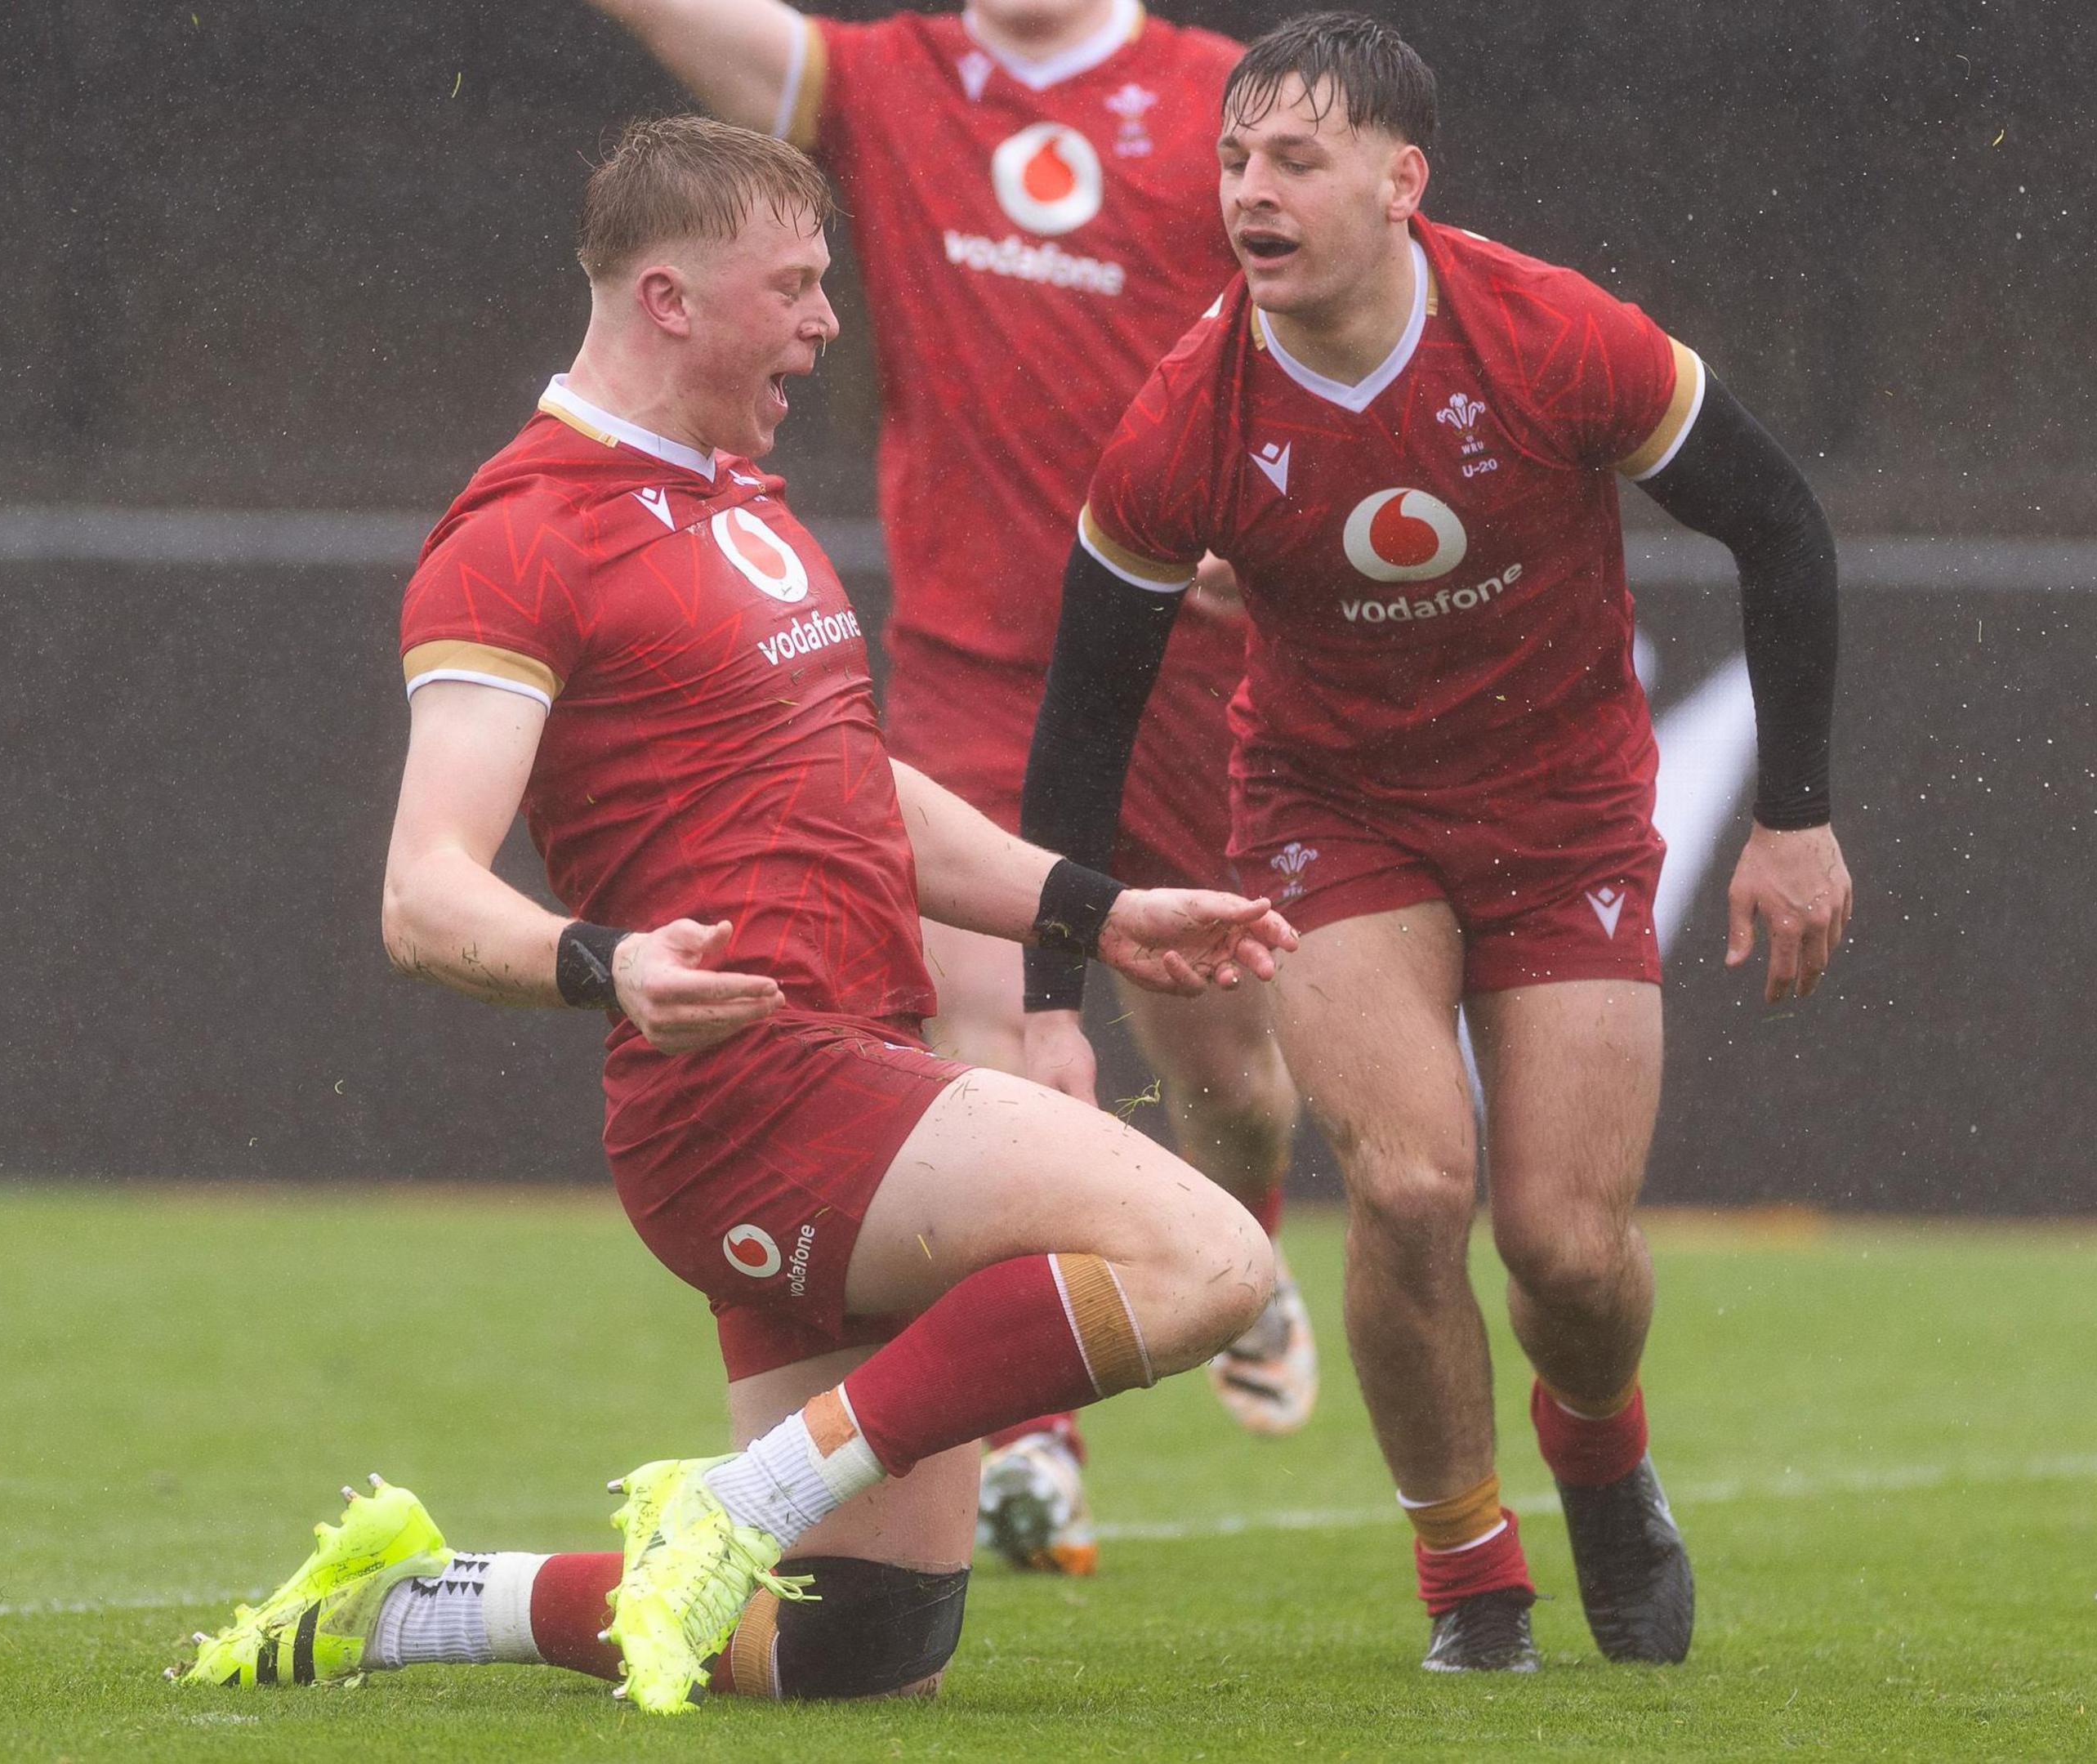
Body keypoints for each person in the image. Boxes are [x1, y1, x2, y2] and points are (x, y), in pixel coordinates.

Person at [173, 116, 1294, 1715]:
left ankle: (426, 1598)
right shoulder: (519, 536)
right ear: (668, 298)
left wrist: (1096, 907)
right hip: (758, 1091)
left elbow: (862, 785)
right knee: (1212, 1255)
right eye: (798, 285)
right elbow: (422, 891)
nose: (828, 322)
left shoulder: (739, 496)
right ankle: (740, 1493)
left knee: (863, 1643)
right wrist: (605, 958)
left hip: (846, 1066)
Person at [1019, 15, 1850, 1672]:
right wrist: (1052, 987)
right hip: (1335, 817)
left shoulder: (1552, 335)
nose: (1250, 191)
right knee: (1408, 1185)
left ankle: (1602, 1457)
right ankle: (1468, 1569)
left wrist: (1798, 816)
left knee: (1568, 1249)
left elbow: (1781, 523)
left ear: (1404, 183)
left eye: (1295, 160)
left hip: (1564, 815)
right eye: (1233, 159)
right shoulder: (1189, 411)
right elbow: (1086, 713)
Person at [582, 0, 1316, 1575]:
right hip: (983, 661)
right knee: (1003, 1034)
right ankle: (1036, 1452)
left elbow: (1344, 311)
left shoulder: (1217, 104)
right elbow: (702, 43)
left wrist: (1284, 519)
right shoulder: (887, 79)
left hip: (1183, 679)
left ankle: (1243, 1220)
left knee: (1236, 1083)